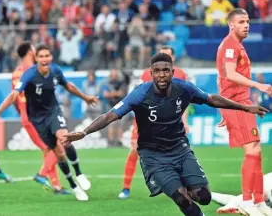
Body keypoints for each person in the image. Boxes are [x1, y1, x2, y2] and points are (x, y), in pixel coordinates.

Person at [62, 53, 268, 215]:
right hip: (153, 156)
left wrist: (244, 107)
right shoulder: (140, 93)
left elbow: (211, 99)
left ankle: (186, 184)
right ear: (151, 73)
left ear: (172, 71)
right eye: (157, 71)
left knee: (204, 197)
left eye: (166, 70)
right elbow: (111, 115)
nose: (162, 75)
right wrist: (85, 131)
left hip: (180, 149)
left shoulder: (184, 88)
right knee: (182, 200)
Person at [0, 44, 98, 201]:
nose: (44, 59)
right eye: (41, 56)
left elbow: (68, 85)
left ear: (51, 57)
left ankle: (78, 173)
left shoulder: (56, 70)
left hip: (53, 111)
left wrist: (85, 97)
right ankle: (73, 185)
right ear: (36, 58)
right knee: (58, 153)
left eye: (47, 56)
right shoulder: (28, 74)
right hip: (37, 119)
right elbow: (14, 94)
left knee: (65, 138)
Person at [216, 8, 272, 215]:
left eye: (247, 21)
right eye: (241, 22)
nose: (246, 25)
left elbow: (219, 76)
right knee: (252, 151)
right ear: (231, 25)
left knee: (257, 151)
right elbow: (229, 74)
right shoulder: (230, 46)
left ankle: (259, 200)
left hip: (242, 103)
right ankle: (247, 201)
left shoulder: (236, 45)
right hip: (237, 104)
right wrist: (259, 86)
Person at [118, 46, 189, 199]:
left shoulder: (181, 75)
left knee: (179, 152)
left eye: (167, 56)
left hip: (171, 122)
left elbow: (184, 101)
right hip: (146, 121)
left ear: (173, 59)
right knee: (135, 150)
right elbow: (140, 98)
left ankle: (182, 185)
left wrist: (185, 121)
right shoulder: (146, 74)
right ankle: (125, 188)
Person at [12, 41, 69, 194]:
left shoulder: (17, 72)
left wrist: (22, 115)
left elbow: (15, 99)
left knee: (49, 149)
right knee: (55, 147)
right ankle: (43, 175)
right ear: (31, 52)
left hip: (28, 116)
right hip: (35, 116)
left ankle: (55, 185)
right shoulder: (31, 71)